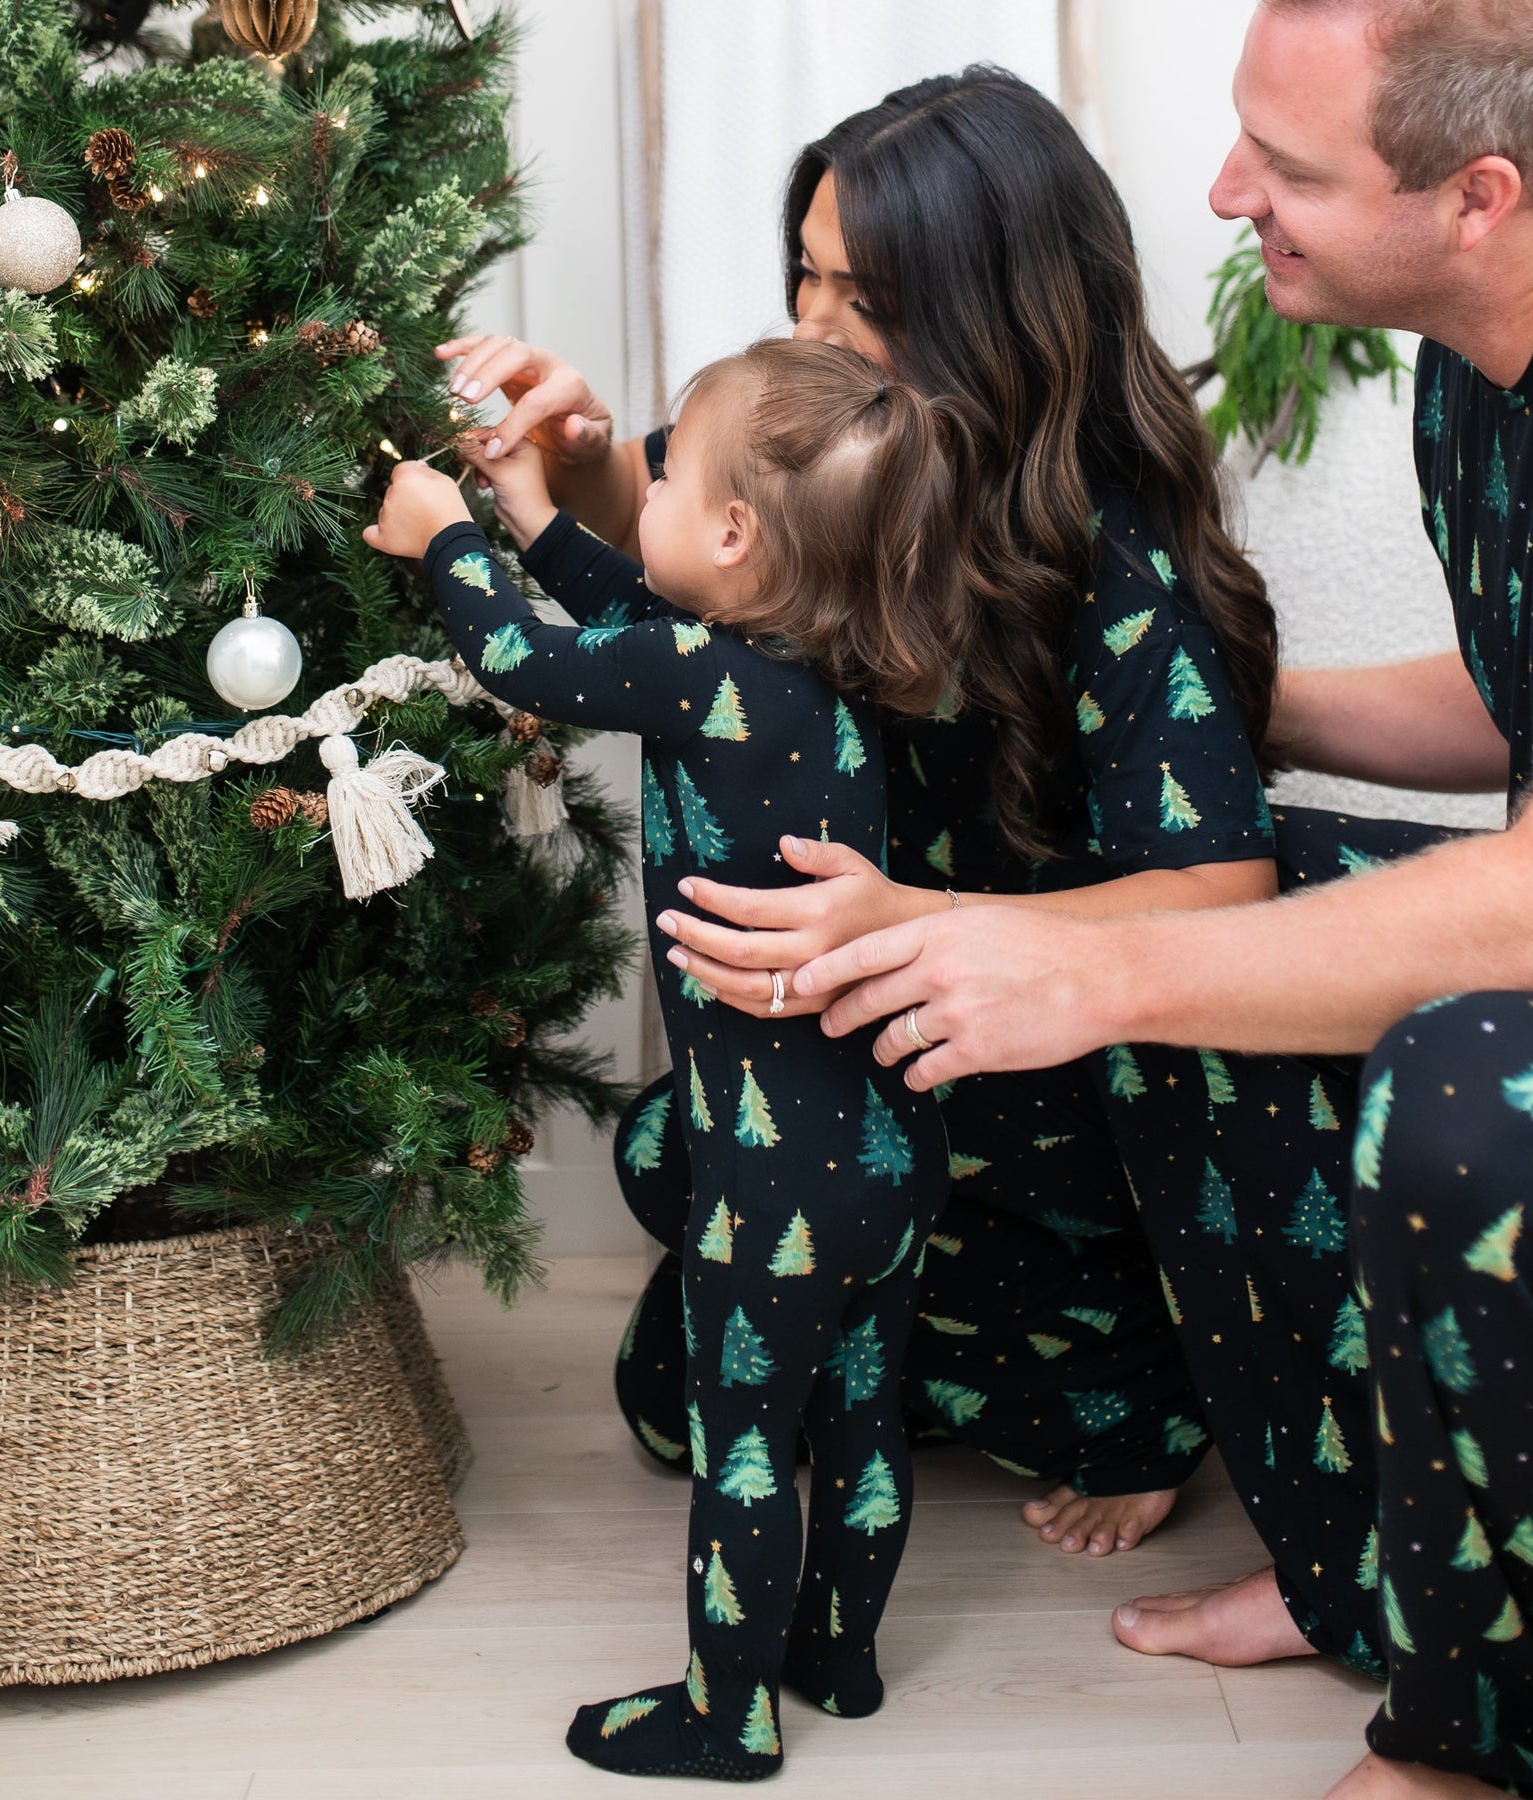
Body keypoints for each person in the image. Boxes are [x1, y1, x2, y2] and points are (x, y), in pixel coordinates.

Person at [788, 3, 1533, 1796]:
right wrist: (1226, 711)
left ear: (1477, 195)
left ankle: (1457, 1753)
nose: (1228, 194)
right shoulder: (1497, 338)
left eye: (1289, 168)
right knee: (1213, 903)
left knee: (1462, 1086)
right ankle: (1350, 1561)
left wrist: (1103, 975)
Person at [438, 67, 1285, 1556]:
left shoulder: (1104, 551)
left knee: (955, 1343)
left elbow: (1225, 896)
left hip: (1024, 1078)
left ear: (998, 313)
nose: (814, 325)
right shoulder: (823, 445)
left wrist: (920, 925)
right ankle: (882, 1342)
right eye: (807, 276)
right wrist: (565, 458)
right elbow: (662, 552)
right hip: (832, 1062)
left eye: (866, 297)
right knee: (667, 1253)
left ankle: (1122, 1384)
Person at [365, 338, 964, 1779]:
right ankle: (841, 1658)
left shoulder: (695, 670)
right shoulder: (816, 665)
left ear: (737, 533)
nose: (644, 487)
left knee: (745, 1437)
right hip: (891, 1147)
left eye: (669, 473)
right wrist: (529, 509)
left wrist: (447, 536)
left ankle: (724, 1715)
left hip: (771, 1174)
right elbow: (632, 611)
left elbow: (528, 658)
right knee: (862, 1416)